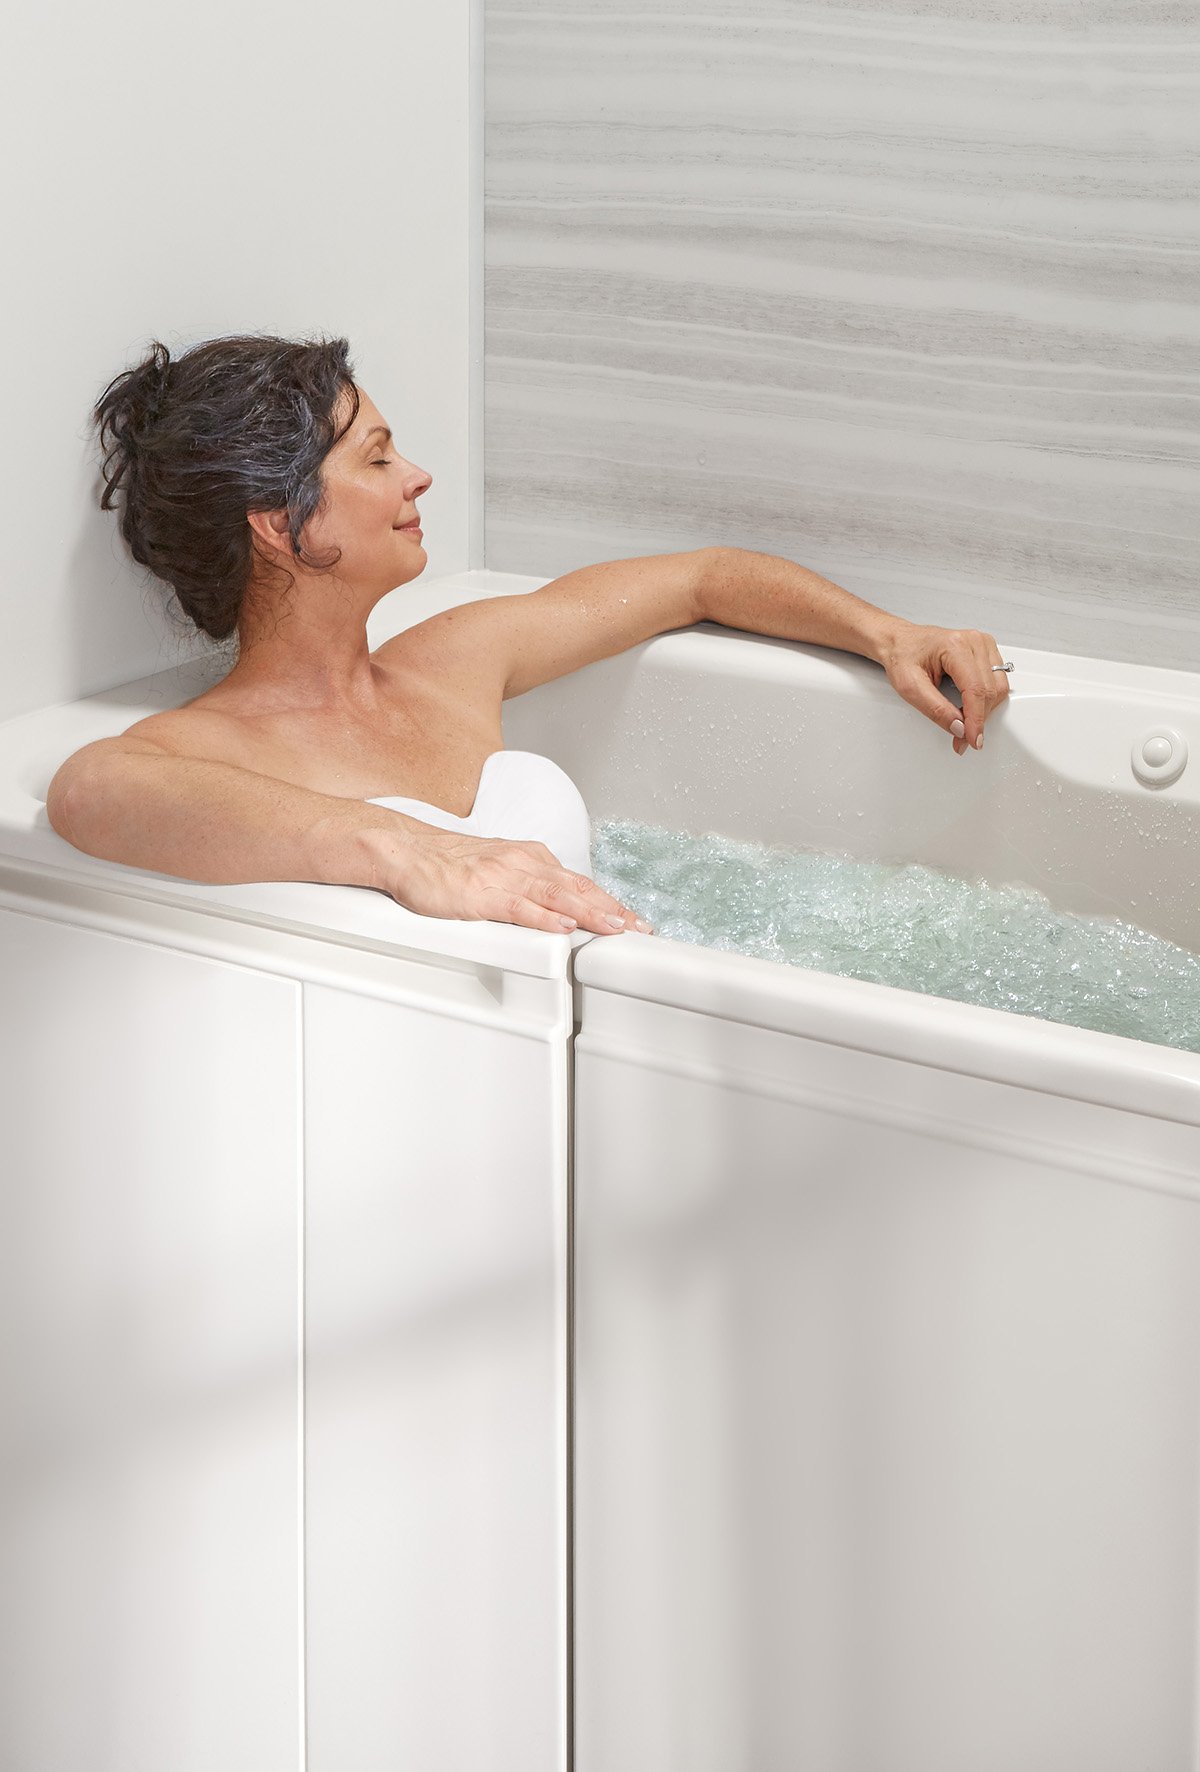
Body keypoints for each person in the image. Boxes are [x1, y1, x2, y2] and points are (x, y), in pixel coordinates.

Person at [46, 333, 1010, 936]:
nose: (418, 476)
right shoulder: (206, 752)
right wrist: (401, 847)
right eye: (377, 458)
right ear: (280, 521)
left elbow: (701, 579)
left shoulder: (453, 662)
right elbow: (90, 790)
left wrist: (885, 633)